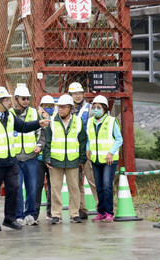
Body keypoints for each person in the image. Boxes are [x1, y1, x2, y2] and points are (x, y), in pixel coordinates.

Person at [0, 86, 49, 231]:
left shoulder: (9, 116)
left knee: (14, 189)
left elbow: (22, 126)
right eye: (6, 100)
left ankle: (9, 219)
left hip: (10, 162)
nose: (10, 103)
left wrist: (38, 123)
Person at [43, 94, 87, 224]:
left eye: (63, 107)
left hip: (73, 161)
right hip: (55, 161)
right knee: (55, 188)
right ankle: (56, 214)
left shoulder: (78, 122)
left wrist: (82, 160)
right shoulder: (52, 122)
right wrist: (47, 158)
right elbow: (48, 142)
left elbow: (83, 142)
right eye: (59, 107)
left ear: (71, 108)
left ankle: (74, 214)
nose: (60, 110)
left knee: (74, 188)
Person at [9, 85, 44, 226]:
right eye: (23, 99)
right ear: (16, 99)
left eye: (28, 99)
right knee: (17, 187)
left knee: (32, 186)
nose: (26, 101)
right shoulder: (9, 114)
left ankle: (30, 214)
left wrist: (39, 145)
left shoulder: (35, 113)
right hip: (15, 158)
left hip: (31, 157)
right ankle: (18, 215)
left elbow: (41, 132)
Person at [87, 95, 123, 223]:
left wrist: (111, 153)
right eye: (94, 106)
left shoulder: (112, 121)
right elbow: (89, 138)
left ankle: (109, 212)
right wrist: (87, 149)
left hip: (109, 160)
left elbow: (119, 139)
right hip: (96, 159)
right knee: (99, 186)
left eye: (99, 107)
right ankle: (101, 212)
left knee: (107, 185)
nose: (96, 109)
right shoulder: (90, 121)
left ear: (104, 108)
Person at [68, 81, 98, 220]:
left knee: (92, 180)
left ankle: (101, 208)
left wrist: (90, 148)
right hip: (73, 150)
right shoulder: (67, 110)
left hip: (87, 150)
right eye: (75, 94)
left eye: (79, 93)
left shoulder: (89, 108)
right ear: (70, 95)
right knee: (76, 182)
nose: (78, 96)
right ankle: (81, 209)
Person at [34, 95, 55, 221]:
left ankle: (51, 212)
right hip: (38, 158)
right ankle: (34, 213)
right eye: (46, 106)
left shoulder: (56, 119)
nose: (49, 108)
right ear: (41, 106)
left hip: (52, 158)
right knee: (37, 186)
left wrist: (49, 120)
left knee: (53, 186)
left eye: (51, 106)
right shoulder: (35, 118)